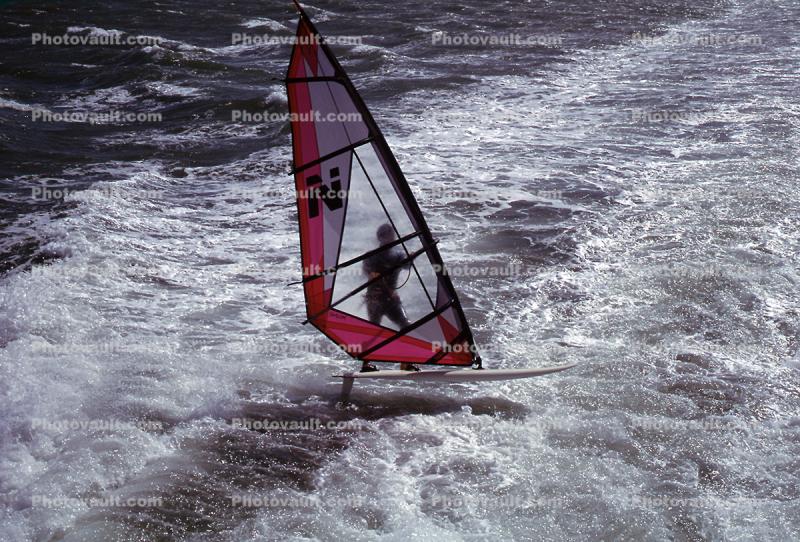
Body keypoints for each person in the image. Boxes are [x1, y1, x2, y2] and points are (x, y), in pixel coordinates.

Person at [359, 223, 419, 373]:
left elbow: (406, 265)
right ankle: (365, 364)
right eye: (387, 235)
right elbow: (372, 275)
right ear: (380, 237)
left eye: (392, 235)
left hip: (391, 300)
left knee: (406, 325)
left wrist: (411, 258)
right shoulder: (370, 256)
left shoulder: (398, 255)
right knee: (374, 329)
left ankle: (406, 363)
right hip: (375, 298)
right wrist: (389, 290)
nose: (391, 238)